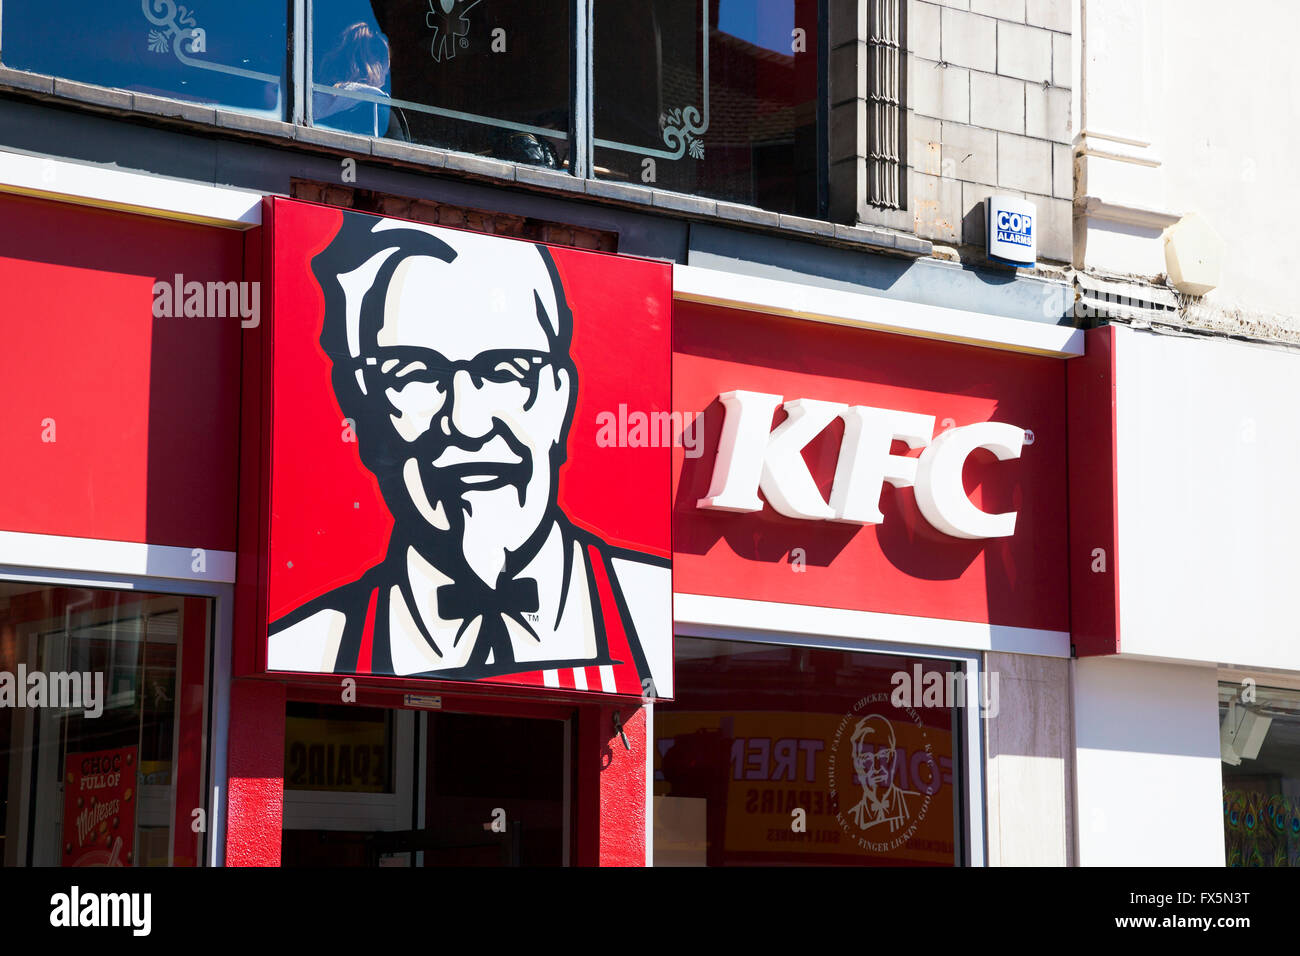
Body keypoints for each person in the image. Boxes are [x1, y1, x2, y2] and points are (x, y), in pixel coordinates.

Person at [268, 212, 670, 697]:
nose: (467, 422)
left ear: (560, 399)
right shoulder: (309, 645)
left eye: (506, 370)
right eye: (415, 372)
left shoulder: (653, 611)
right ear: (364, 406)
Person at [847, 715, 918, 832]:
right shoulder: (851, 818)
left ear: (894, 758)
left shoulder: (915, 804)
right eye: (867, 758)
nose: (876, 768)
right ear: (857, 765)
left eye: (883, 755)